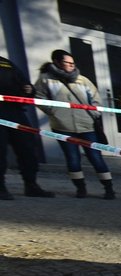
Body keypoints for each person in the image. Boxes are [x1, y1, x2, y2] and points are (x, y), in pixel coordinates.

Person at [33, 49, 115, 199]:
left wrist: (94, 113)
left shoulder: (82, 80)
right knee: (72, 158)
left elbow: (96, 98)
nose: (71, 65)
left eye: (73, 63)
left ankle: (109, 188)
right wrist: (53, 111)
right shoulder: (45, 80)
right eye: (67, 63)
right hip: (62, 126)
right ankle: (80, 188)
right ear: (57, 62)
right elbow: (38, 98)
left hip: (86, 125)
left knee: (96, 157)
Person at [0, 55, 56, 200]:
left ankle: (31, 184)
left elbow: (25, 84)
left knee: (28, 148)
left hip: (14, 111)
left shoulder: (5, 63)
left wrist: (27, 89)